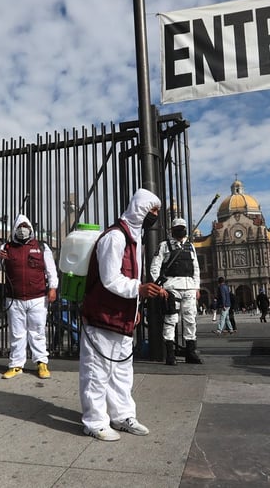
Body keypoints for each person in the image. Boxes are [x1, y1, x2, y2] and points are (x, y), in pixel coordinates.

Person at [79, 188, 168, 441]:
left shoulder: (134, 239)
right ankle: (94, 421)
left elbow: (130, 278)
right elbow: (110, 279)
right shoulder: (115, 238)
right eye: (153, 210)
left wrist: (135, 307)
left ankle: (122, 416)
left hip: (123, 317)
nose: (155, 215)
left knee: (121, 372)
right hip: (102, 316)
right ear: (140, 208)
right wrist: (139, 290)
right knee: (96, 371)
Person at [0, 214, 59, 380]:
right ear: (15, 229)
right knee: (17, 333)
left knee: (37, 332)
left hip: (37, 298)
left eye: (26, 226)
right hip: (14, 299)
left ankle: (41, 363)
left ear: (31, 229)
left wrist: (52, 288)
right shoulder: (6, 247)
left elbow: (51, 270)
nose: (23, 229)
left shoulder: (41, 247)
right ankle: (16, 365)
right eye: (20, 226)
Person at [150, 217, 203, 365]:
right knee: (171, 320)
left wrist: (197, 286)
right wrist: (159, 287)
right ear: (172, 230)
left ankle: (190, 353)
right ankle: (170, 354)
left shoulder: (190, 246)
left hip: (189, 287)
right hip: (171, 287)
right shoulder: (164, 246)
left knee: (190, 320)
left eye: (183, 228)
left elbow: (196, 268)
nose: (181, 231)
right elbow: (155, 267)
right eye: (178, 228)